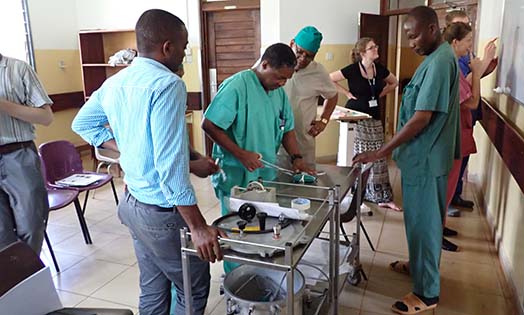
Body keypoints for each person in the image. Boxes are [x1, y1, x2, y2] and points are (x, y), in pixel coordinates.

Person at [72, 9, 225, 315]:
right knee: (191, 286)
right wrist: (197, 226)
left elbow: (84, 125)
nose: (184, 54)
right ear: (167, 47)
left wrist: (131, 151)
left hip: (132, 205)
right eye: (183, 47)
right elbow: (168, 169)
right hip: (162, 214)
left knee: (153, 286)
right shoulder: (168, 85)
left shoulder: (117, 81)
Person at [354, 6, 460, 314]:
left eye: (413, 36)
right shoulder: (434, 60)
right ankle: (419, 267)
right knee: (417, 222)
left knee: (425, 226)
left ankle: (426, 294)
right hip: (420, 160)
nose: (410, 43)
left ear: (431, 29)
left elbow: (421, 119)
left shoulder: (440, 63)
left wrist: (381, 151)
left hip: (427, 161)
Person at [202, 43, 312, 273]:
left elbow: (287, 128)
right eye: (279, 77)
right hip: (237, 176)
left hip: (265, 176)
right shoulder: (237, 87)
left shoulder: (278, 93)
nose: (282, 83)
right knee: (238, 230)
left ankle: (259, 272)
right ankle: (235, 277)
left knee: (263, 227)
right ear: (264, 65)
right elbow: (209, 124)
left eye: (286, 80)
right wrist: (242, 154)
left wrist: (297, 157)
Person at [330, 37, 400, 211]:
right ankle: (358, 192)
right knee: (361, 155)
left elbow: (395, 82)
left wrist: (382, 93)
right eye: (372, 47)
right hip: (356, 116)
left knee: (379, 155)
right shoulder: (353, 69)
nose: (376, 49)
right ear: (362, 53)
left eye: (375, 46)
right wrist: (346, 93)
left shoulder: (380, 69)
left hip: (374, 116)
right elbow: (330, 78)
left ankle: (382, 195)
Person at [0, 53, 53, 254]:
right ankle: (11, 280)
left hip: (18, 155)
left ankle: (28, 275)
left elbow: (46, 117)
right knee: (2, 236)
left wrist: (4, 105)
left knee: (32, 225)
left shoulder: (18, 69)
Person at [445, 10, 498, 210]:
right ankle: (448, 202)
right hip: (457, 118)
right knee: (451, 167)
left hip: (465, 117)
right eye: (461, 27)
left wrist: (486, 64)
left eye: (468, 25)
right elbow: (466, 88)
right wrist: (481, 65)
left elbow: (474, 79)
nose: (467, 32)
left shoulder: (465, 54)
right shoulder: (449, 61)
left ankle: (454, 196)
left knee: (462, 160)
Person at [276, 26, 338, 169]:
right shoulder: (274, 63)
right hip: (275, 140)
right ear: (292, 44)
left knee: (304, 184)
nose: (303, 59)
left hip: (302, 140)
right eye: (299, 52)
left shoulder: (318, 72)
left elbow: (333, 96)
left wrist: (323, 121)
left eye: (309, 56)